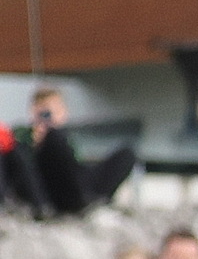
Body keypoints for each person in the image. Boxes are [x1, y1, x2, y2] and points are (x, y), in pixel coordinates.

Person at [6, 86, 139, 217]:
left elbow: (77, 165)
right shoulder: (21, 134)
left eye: (53, 111)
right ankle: (77, 203)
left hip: (77, 184)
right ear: (33, 112)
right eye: (43, 113)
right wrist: (36, 142)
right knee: (53, 139)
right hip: (47, 188)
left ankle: (94, 200)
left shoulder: (69, 136)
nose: (48, 117)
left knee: (126, 154)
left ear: (63, 112)